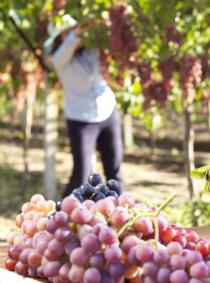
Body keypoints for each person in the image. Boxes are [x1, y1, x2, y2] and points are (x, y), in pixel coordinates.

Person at [43, 14, 124, 197]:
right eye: (69, 33)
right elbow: (65, 51)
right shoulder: (60, 60)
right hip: (81, 120)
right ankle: (61, 216)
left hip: (108, 112)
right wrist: (76, 33)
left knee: (115, 173)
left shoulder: (90, 51)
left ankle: (122, 218)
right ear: (61, 38)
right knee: (81, 174)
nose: (78, 35)